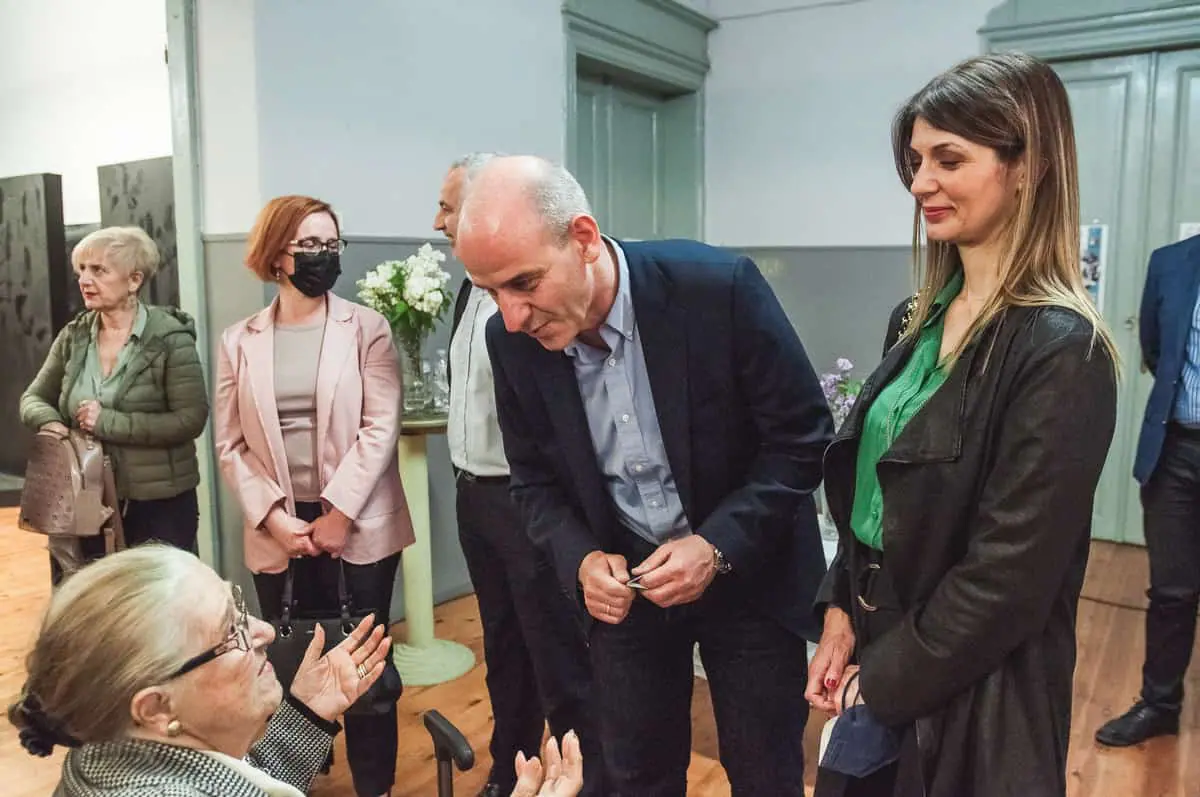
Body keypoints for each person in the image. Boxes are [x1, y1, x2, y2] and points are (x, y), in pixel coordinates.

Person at [456, 155, 833, 796]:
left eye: (524, 283)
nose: (513, 316)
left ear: (583, 238)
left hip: (750, 574)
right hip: (626, 587)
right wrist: (580, 558)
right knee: (636, 774)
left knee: (763, 770)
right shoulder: (509, 341)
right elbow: (534, 483)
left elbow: (802, 439)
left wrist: (716, 546)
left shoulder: (717, 289)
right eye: (491, 292)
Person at [806, 52, 1118, 796]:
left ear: (1027, 166)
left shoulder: (1062, 349)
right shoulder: (913, 319)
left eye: (949, 159)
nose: (920, 183)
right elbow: (876, 499)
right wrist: (841, 607)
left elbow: (1009, 577)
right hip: (881, 645)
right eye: (915, 162)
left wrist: (885, 678)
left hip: (976, 687)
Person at [213, 195, 413, 797]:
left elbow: (381, 426)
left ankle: (375, 785)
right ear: (277, 254)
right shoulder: (238, 340)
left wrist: (339, 513)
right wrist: (274, 518)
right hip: (278, 524)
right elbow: (229, 443)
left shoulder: (367, 329)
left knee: (365, 661)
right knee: (292, 657)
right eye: (310, 245)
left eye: (332, 244)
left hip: (358, 519)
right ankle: (296, 775)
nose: (324, 255)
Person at [435, 153, 601, 797]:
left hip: (525, 500)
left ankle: (579, 779)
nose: (440, 220)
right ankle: (511, 770)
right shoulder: (470, 291)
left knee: (556, 655)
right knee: (503, 648)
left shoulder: (545, 302)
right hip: (474, 494)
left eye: (450, 206)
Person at [8, 544, 393, 796]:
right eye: (231, 631)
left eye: (239, 606)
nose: (265, 631)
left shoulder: (100, 744)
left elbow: (228, 780)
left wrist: (308, 712)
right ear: (157, 708)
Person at [19, 225, 209, 583]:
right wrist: (55, 427)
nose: (85, 280)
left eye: (99, 270)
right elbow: (32, 398)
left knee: (156, 605)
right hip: (85, 501)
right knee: (89, 601)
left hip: (158, 505)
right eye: (82, 270)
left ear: (134, 280)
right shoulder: (74, 336)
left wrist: (107, 422)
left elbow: (190, 419)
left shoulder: (170, 339)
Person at [1095, 231, 1200, 747]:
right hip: (1176, 450)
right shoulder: (1171, 263)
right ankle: (1160, 704)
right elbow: (1157, 352)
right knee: (1172, 591)